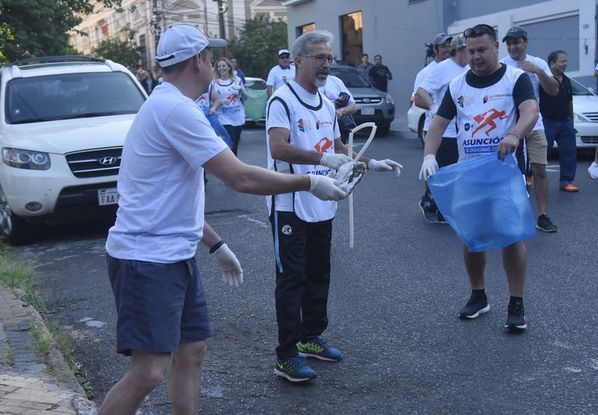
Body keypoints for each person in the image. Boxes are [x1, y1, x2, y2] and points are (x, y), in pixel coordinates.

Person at [99, 24, 346, 415]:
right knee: (148, 372)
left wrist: (216, 243)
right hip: (146, 258)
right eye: (210, 57)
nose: (214, 64)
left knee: (192, 352)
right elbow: (240, 176)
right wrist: (310, 181)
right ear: (199, 60)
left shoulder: (172, 105)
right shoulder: (175, 109)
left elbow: (168, 199)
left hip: (173, 254)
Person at [266, 29, 403, 383]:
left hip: (324, 200)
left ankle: (310, 337)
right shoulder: (283, 100)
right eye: (319, 57)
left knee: (318, 273)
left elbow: (339, 147)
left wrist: (369, 163)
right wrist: (321, 159)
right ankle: (286, 354)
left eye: (329, 58)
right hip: (290, 203)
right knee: (291, 278)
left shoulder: (327, 101)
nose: (327, 64)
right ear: (299, 60)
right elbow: (278, 148)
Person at [419, 23, 538, 331]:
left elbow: (530, 112)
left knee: (511, 237)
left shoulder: (516, 78)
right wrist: (429, 155)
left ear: (496, 47)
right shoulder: (457, 85)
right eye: (470, 51)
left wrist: (514, 134)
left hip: (505, 171)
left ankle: (516, 302)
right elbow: (438, 123)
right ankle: (478, 295)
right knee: (471, 238)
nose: (476, 57)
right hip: (470, 172)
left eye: (482, 50)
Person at [500, 26, 559, 233]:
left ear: (525, 42)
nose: (512, 46)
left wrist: (539, 71)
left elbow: (553, 90)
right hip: (509, 126)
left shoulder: (538, 63)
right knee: (511, 171)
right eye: (509, 43)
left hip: (536, 123)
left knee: (540, 169)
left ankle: (543, 216)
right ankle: (513, 214)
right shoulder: (502, 65)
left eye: (516, 42)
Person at [415, 34, 467, 223]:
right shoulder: (440, 69)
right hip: (440, 129)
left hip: (461, 130)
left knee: (454, 171)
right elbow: (420, 93)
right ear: (460, 50)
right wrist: (434, 107)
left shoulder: (469, 68)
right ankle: (429, 203)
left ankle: (448, 206)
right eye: (469, 50)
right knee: (441, 170)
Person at [539, 50, 578, 192]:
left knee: (569, 152)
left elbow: (569, 102)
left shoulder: (566, 80)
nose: (565, 64)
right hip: (546, 121)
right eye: (562, 61)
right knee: (541, 154)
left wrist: (571, 122)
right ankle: (531, 177)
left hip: (564, 122)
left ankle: (566, 181)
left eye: (566, 61)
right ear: (552, 63)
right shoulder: (543, 79)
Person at [209, 57, 246, 156]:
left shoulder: (237, 80)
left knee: (236, 143)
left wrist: (241, 91)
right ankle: (232, 168)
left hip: (238, 116)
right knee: (230, 142)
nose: (221, 68)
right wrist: (219, 102)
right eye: (219, 66)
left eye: (224, 66)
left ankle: (234, 165)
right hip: (223, 117)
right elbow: (210, 102)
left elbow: (245, 98)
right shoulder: (214, 83)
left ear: (229, 67)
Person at [319, 74, 358, 143]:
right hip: (317, 126)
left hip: (337, 125)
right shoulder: (306, 81)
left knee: (339, 149)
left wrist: (341, 110)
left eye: (329, 62)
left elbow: (353, 106)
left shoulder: (335, 81)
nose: (326, 65)